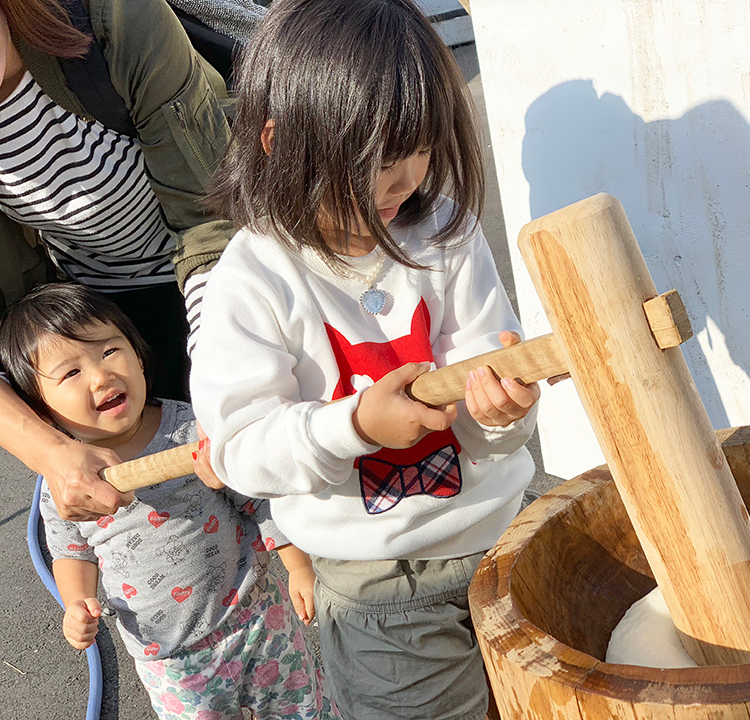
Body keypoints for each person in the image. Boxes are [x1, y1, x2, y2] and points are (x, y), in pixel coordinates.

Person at [188, 1, 540, 718]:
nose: (404, 176)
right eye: (378, 156)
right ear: (278, 139)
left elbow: (490, 389)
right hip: (380, 582)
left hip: (507, 533)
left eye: (420, 147)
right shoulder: (253, 278)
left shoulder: (445, 231)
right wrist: (354, 427)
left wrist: (500, 414)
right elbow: (241, 449)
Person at [0, 0, 233, 522]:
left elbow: (210, 221)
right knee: (173, 519)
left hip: (234, 273)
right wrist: (50, 453)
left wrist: (228, 380)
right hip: (105, 321)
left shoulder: (112, 19)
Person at [0, 283, 342, 720]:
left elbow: (257, 500)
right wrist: (77, 600)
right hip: (171, 655)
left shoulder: (190, 429)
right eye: (70, 373)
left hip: (256, 612)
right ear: (38, 410)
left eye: (109, 351)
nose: (101, 376)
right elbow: (71, 547)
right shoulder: (65, 478)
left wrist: (298, 566)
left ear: (139, 355)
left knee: (304, 708)